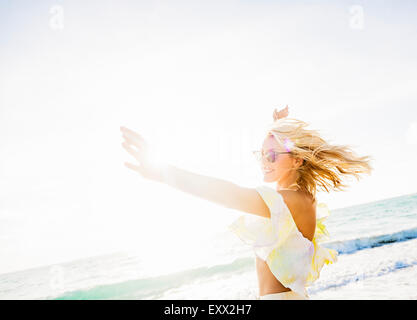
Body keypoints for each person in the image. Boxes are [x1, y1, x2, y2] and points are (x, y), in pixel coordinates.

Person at [120, 106, 372, 300]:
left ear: (297, 161)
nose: (264, 161)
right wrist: (279, 128)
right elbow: (287, 165)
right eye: (261, 155)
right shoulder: (300, 196)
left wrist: (164, 173)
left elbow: (228, 194)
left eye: (271, 156)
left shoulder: (291, 200)